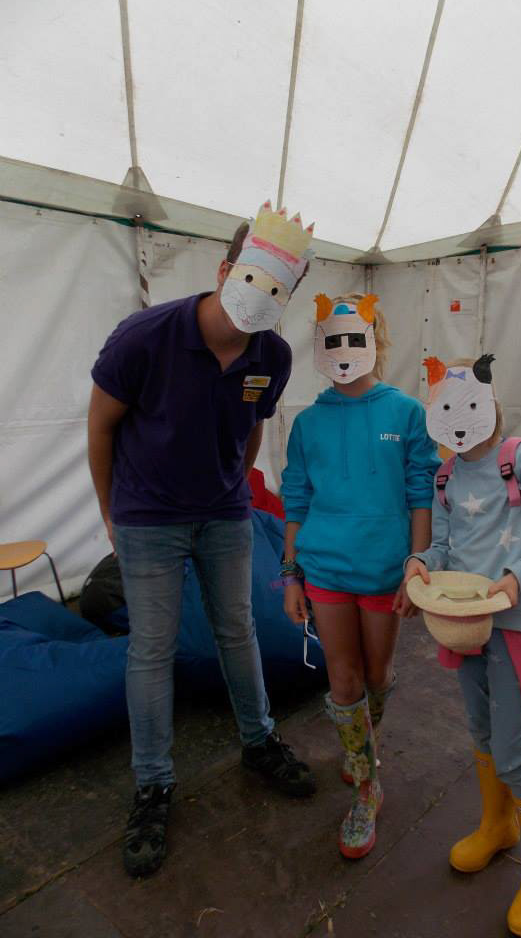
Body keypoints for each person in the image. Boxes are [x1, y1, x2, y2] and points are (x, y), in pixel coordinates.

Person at [87, 203, 317, 879]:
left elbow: (250, 425)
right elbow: (100, 427)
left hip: (225, 514)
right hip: (147, 519)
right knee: (151, 649)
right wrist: (110, 515)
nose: (263, 299)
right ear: (225, 269)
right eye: (253, 278)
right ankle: (154, 785)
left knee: (239, 628)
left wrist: (237, 487)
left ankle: (259, 741)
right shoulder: (144, 336)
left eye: (282, 290)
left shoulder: (271, 355)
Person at [405, 354, 521, 937]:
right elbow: (444, 546)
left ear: (490, 407)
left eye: (467, 407)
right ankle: (498, 826)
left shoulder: (519, 459)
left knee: (516, 745)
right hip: (464, 622)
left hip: (514, 623)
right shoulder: (445, 474)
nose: (457, 421)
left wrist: (518, 578)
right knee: (481, 732)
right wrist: (421, 563)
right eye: (445, 410)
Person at [280, 292, 438, 860]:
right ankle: (366, 782)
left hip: (384, 574)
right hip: (324, 569)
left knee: (377, 674)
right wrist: (291, 573)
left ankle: (362, 745)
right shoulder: (307, 423)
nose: (345, 350)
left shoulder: (407, 413)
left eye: (356, 337)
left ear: (377, 342)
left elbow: (422, 492)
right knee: (341, 680)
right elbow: (295, 498)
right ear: (320, 348)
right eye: (333, 339)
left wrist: (416, 568)